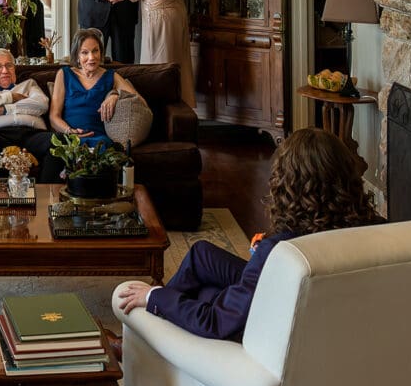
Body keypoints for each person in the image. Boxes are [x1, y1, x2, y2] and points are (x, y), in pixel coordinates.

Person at [117, 128, 381, 342]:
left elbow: (215, 322)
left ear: (287, 184)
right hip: (285, 286)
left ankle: (148, 338)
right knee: (201, 255)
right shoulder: (377, 228)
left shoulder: (278, 251)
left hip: (262, 317)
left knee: (205, 295)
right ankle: (157, 325)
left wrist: (154, 295)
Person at [0, 48, 58, 181]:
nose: (5, 71)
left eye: (9, 65)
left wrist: (5, 110)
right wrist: (11, 96)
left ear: (14, 68)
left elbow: (41, 104)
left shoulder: (29, 85)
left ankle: (46, 195)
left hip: (31, 135)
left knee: (57, 142)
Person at [48, 28, 141, 147]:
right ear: (77, 56)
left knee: (102, 151)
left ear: (101, 53)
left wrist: (115, 95)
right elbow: (53, 116)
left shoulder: (111, 76)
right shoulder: (64, 74)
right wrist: (70, 131)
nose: (91, 57)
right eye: (85, 52)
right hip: (70, 138)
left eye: (95, 51)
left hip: (99, 140)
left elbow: (138, 100)